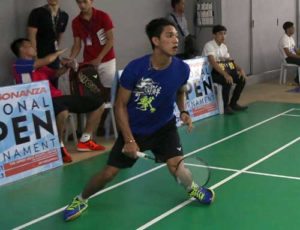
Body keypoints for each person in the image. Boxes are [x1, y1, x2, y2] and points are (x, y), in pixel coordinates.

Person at [63, 18, 215, 222]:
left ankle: (192, 188)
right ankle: (80, 198)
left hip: (164, 127)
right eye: (169, 35)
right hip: (135, 131)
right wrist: (129, 140)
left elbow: (180, 91)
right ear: (155, 40)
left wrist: (184, 111)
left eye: (176, 36)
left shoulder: (181, 68)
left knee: (177, 167)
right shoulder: (136, 69)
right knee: (109, 174)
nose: (175, 40)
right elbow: (120, 106)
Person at [10, 38, 106, 163]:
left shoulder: (40, 67)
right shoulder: (19, 65)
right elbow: (48, 60)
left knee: (98, 103)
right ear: (22, 49)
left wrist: (66, 66)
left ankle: (86, 140)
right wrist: (57, 53)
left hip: (57, 98)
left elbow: (55, 74)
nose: (34, 48)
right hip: (39, 102)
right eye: (30, 46)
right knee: (62, 111)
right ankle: (59, 147)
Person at [66, 0, 116, 102]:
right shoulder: (76, 22)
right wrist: (71, 58)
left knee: (108, 92)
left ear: (91, 1)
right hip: (89, 62)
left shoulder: (103, 16)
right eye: (79, 2)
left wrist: (99, 58)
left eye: (85, 2)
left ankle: (108, 117)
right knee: (91, 92)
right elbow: (77, 45)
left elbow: (110, 40)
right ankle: (95, 116)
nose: (82, 5)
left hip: (107, 61)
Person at [202, 25, 248, 115]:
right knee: (227, 80)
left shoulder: (224, 47)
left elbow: (229, 61)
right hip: (209, 73)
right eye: (220, 34)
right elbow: (213, 62)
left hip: (221, 71)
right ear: (214, 35)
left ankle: (233, 103)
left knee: (242, 79)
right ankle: (225, 106)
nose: (223, 36)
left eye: (224, 34)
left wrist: (240, 69)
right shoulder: (209, 45)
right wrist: (225, 74)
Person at [27, 0, 68, 87]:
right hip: (39, 56)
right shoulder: (37, 13)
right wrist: (35, 58)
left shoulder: (64, 16)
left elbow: (59, 37)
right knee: (39, 86)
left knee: (53, 83)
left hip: (53, 57)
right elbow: (31, 37)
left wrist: (57, 54)